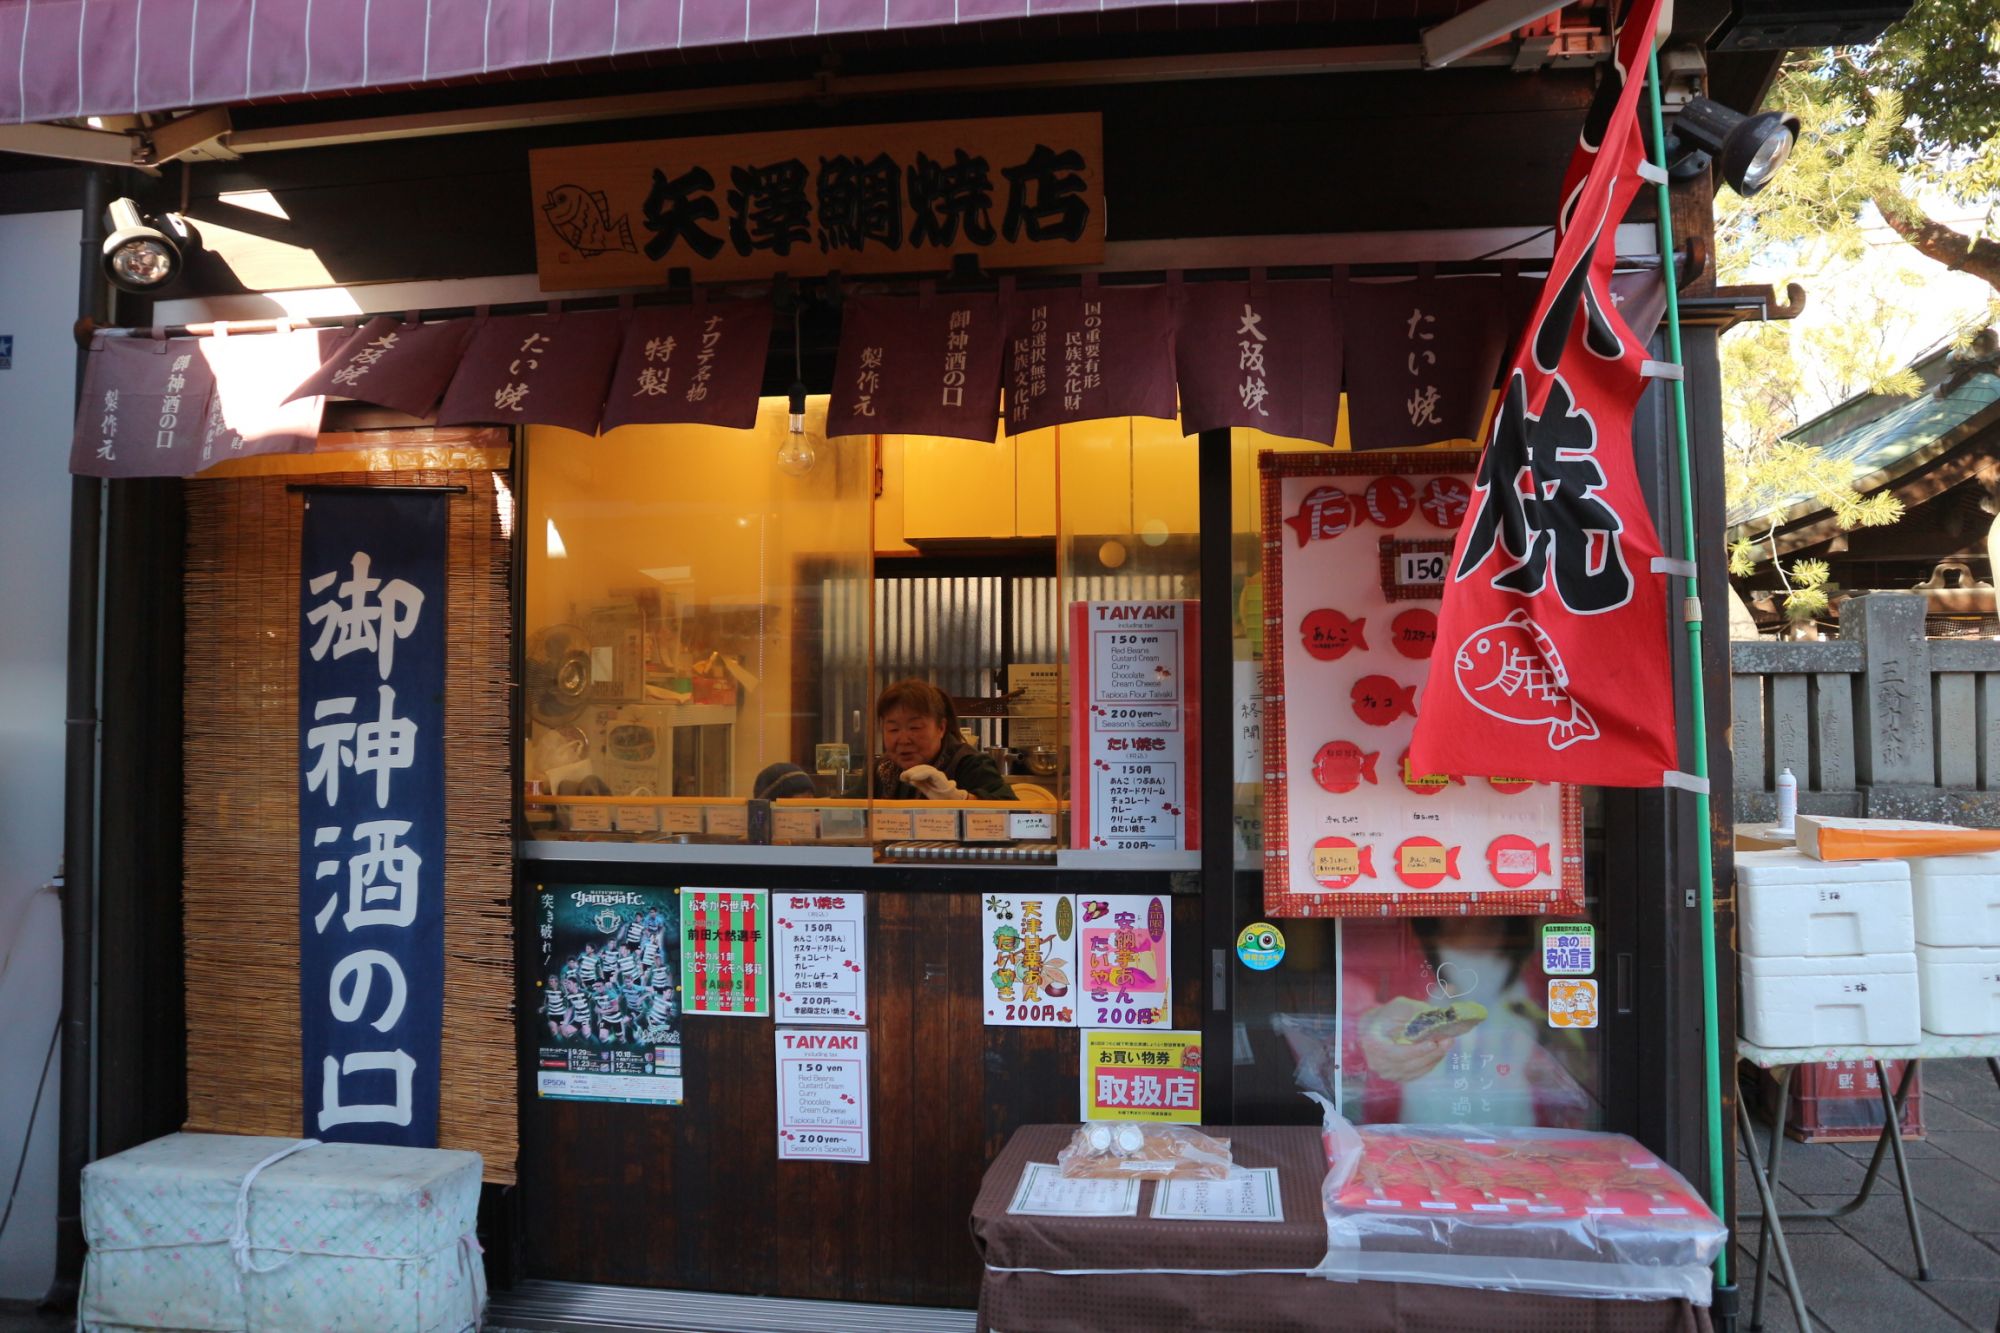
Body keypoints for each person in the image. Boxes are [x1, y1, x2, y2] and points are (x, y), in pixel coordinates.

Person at [870, 679, 1015, 801]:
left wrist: (961, 799)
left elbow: (1014, 812)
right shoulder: (881, 769)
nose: (903, 740)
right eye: (893, 729)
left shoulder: (971, 764)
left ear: (941, 728)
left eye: (915, 727)